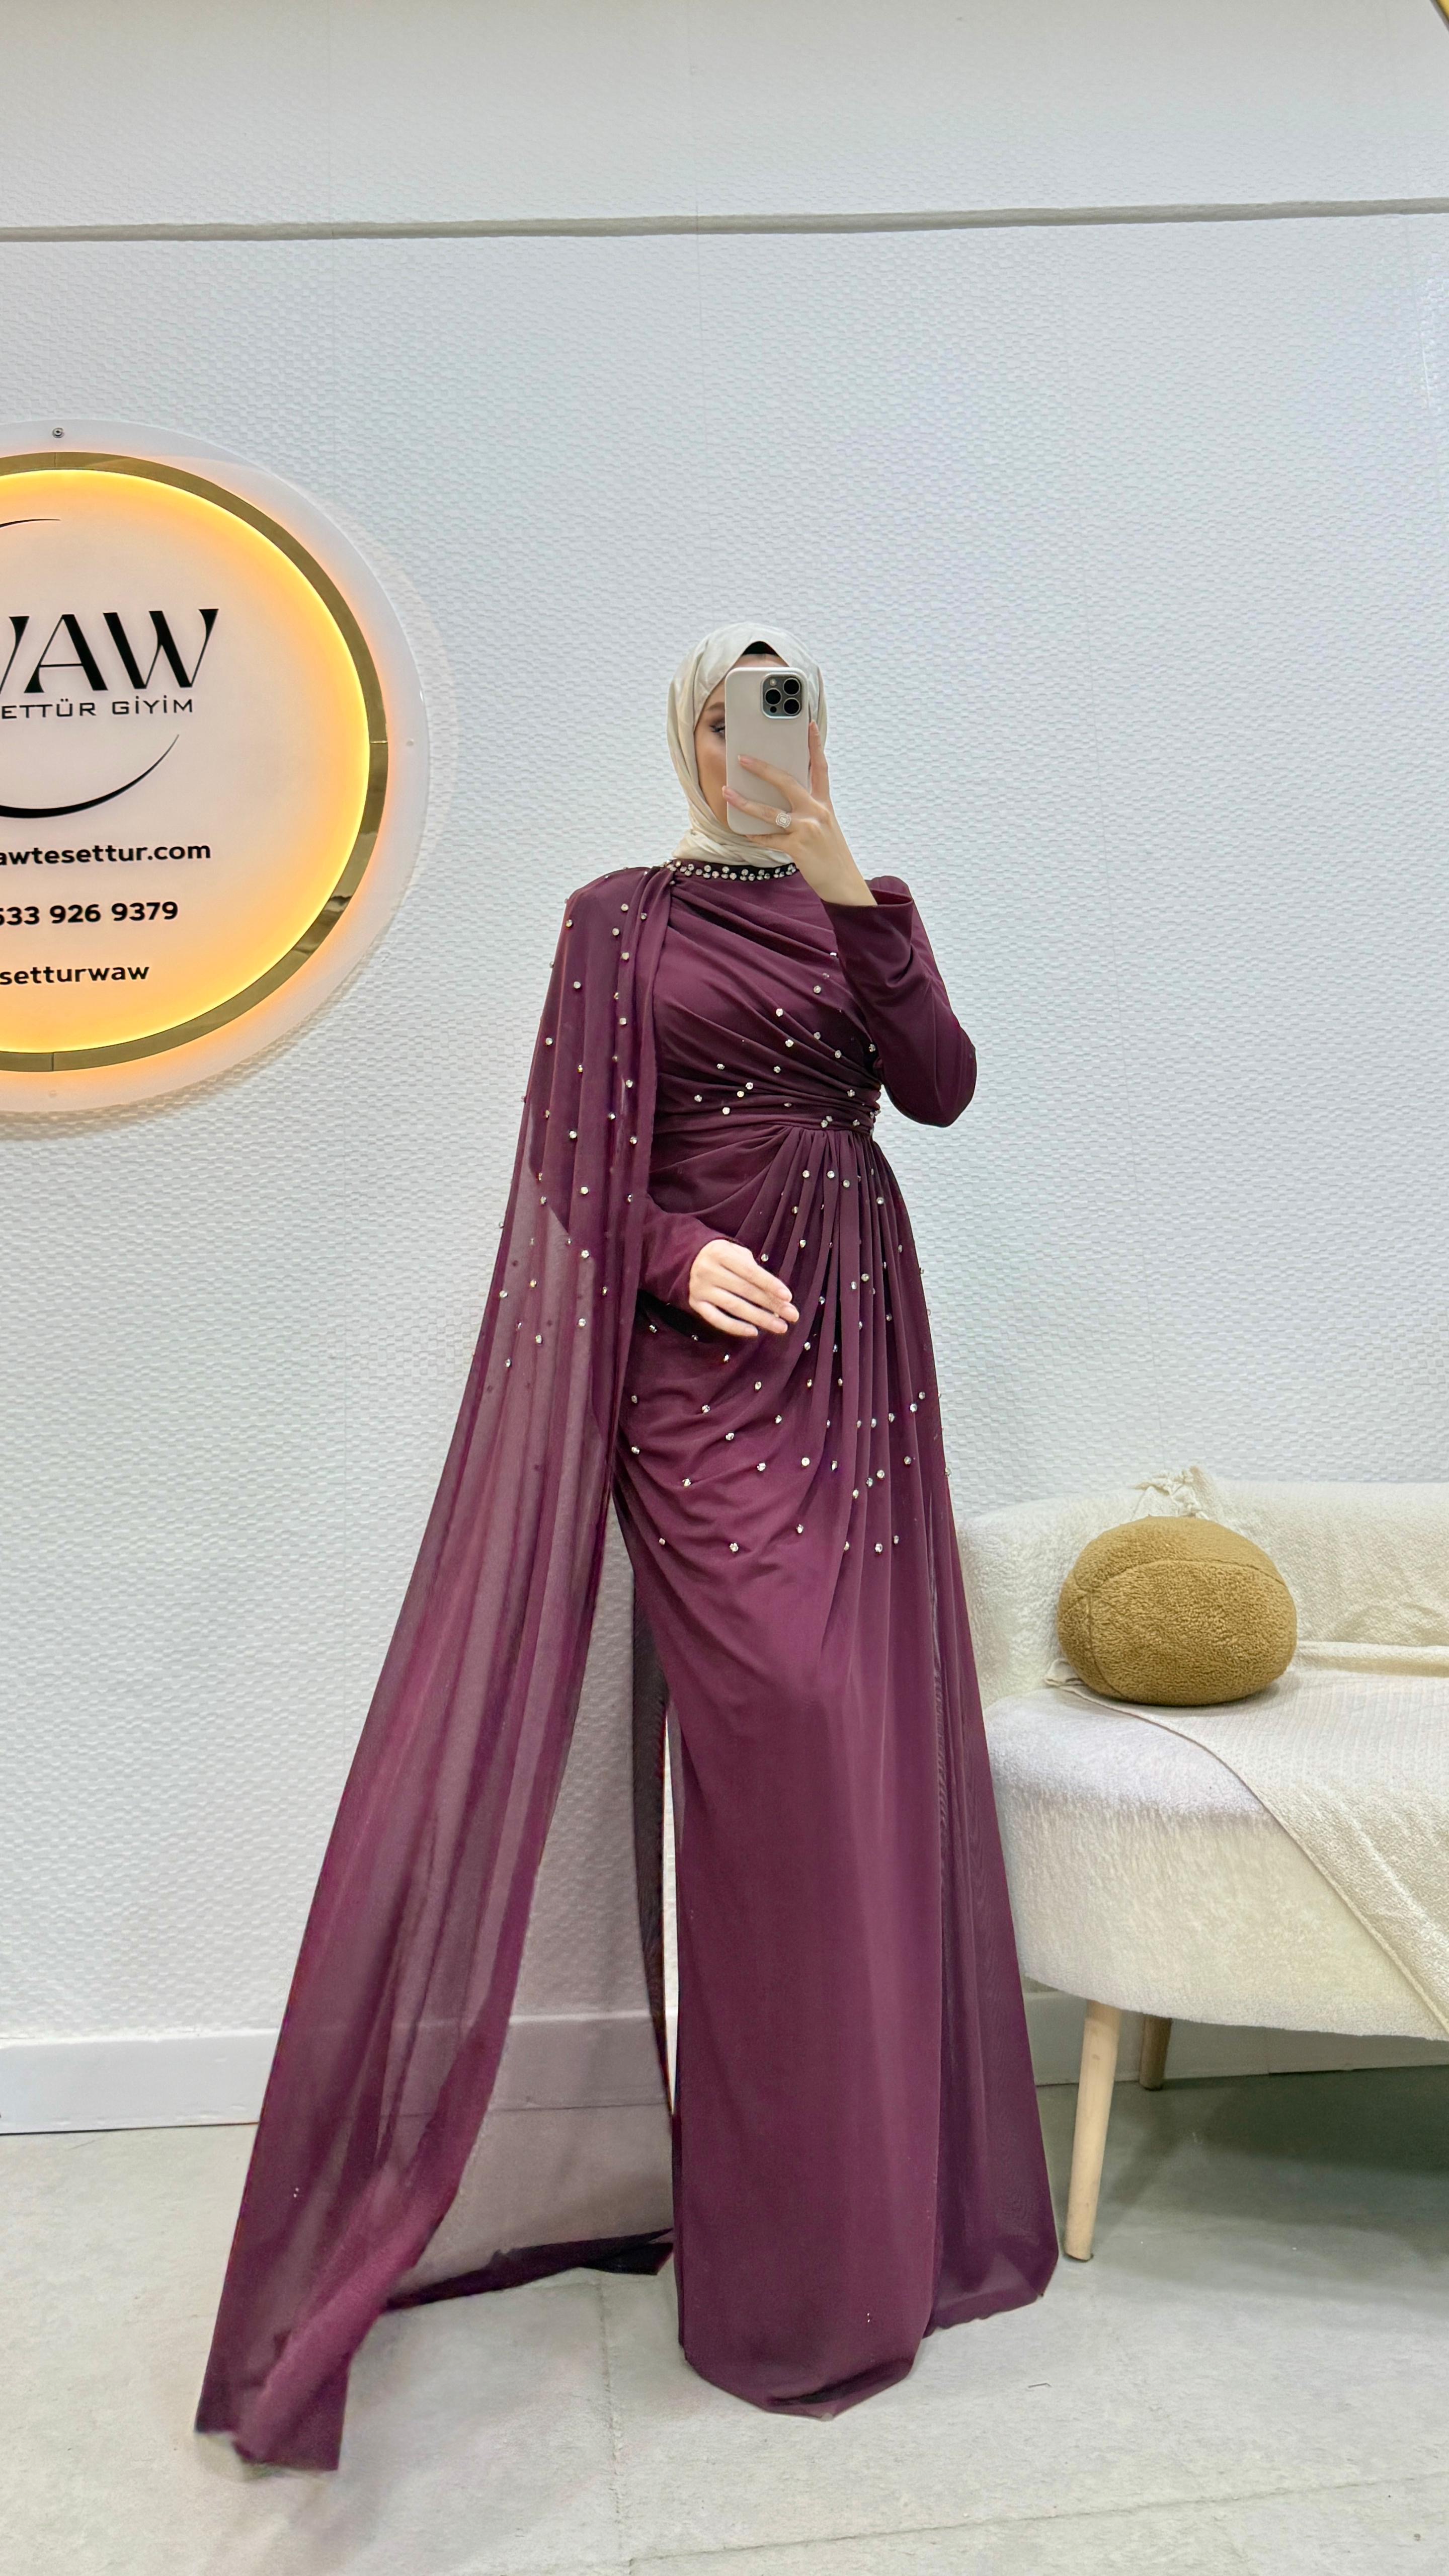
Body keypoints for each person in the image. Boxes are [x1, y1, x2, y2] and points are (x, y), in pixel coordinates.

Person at [196, 623, 1057, 2472]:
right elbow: (572, 1162)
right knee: (783, 1745)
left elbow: (941, 1088)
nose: (760, 744)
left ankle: (873, 2231)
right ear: (687, 735)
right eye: (733, 716)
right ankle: (784, 2268)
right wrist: (677, 1257)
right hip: (696, 1380)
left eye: (791, 714)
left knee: (861, 1766)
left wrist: (853, 883)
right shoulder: (617, 920)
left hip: (859, 1365)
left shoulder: (861, 909)